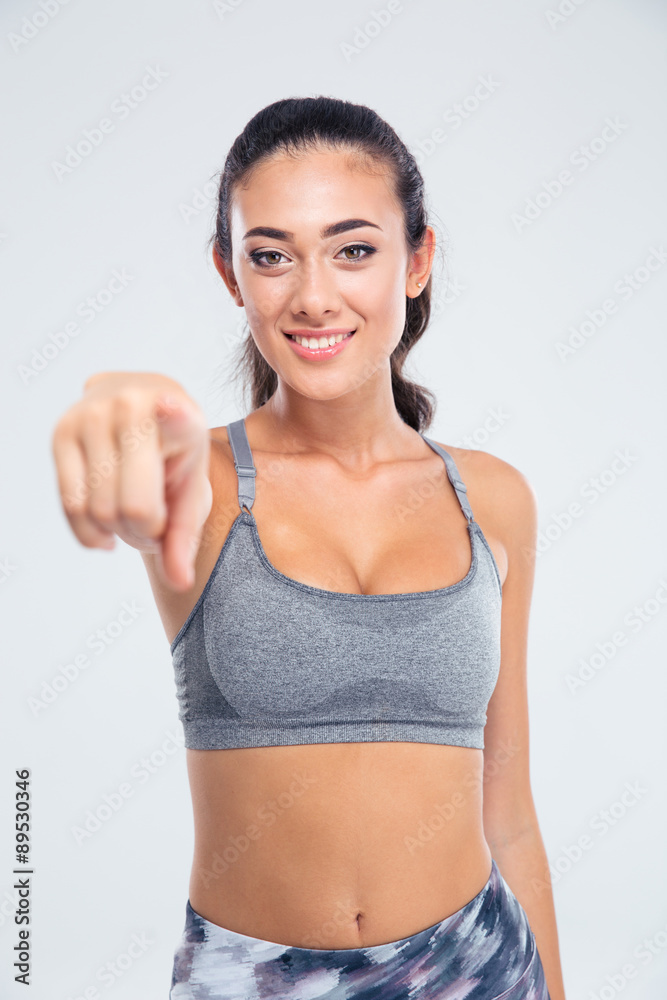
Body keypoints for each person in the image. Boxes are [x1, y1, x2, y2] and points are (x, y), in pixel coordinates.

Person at [51, 96, 566, 999]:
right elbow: (129, 436)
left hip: (480, 967)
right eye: (271, 256)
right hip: (250, 981)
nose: (314, 294)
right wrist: (114, 408)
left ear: (418, 260)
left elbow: (510, 816)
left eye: (354, 249)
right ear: (230, 274)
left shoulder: (493, 498)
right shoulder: (202, 482)